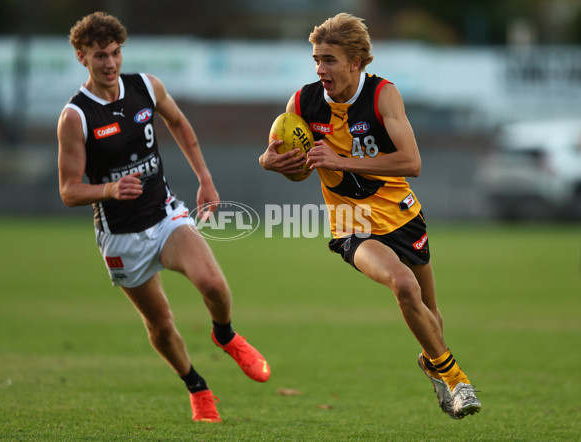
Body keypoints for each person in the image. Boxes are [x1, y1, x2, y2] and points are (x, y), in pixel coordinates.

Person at [259, 12, 481, 419]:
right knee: (403, 286)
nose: (320, 69)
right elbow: (278, 159)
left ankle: (431, 362)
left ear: (355, 63)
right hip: (352, 226)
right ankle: (457, 380)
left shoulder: (382, 95)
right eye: (316, 59)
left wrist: (342, 161)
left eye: (329, 59)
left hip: (401, 215)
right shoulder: (303, 102)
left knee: (431, 313)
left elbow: (412, 162)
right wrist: (271, 162)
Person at [57, 11, 270, 423]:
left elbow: (180, 124)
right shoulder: (76, 116)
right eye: (100, 55)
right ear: (81, 56)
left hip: (165, 214)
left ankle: (225, 335)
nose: (110, 63)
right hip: (120, 236)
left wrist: (205, 180)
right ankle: (197, 386)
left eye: (116, 53)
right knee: (160, 324)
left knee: (212, 282)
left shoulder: (146, 87)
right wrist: (109, 189)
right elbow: (68, 191)